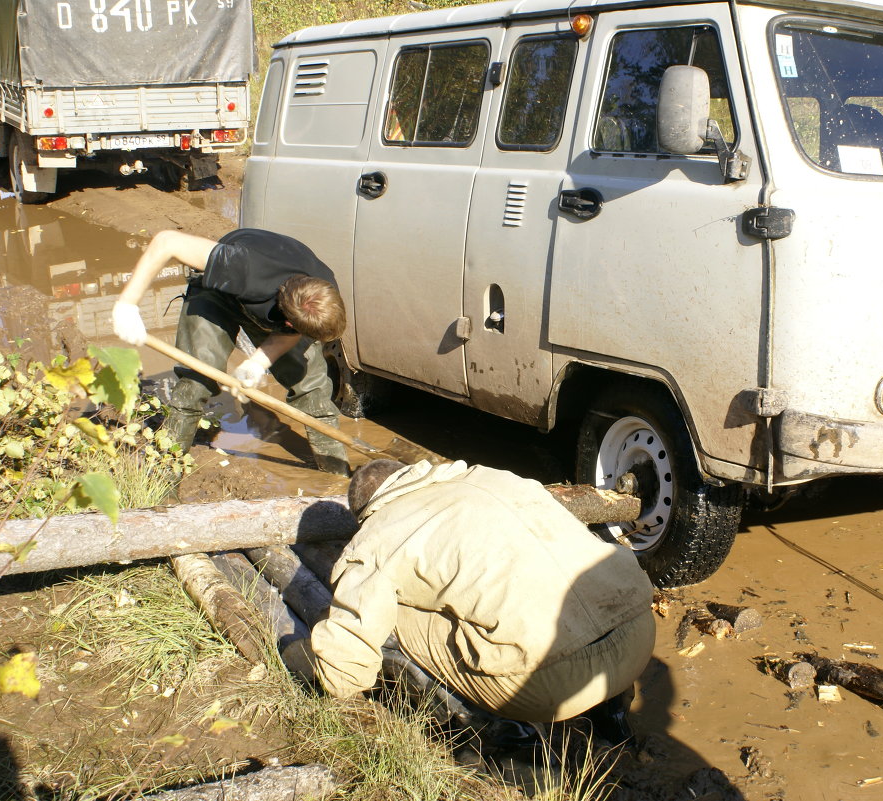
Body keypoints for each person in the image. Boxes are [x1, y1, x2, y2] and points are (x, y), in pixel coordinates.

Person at [281, 458, 656, 729]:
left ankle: (504, 737)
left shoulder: (377, 535)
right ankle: (612, 713)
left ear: (364, 513)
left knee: (390, 611)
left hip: (553, 688)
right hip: (638, 635)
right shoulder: (494, 476)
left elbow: (349, 657)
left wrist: (310, 662)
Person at [111, 228, 350, 475]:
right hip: (217, 294)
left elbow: (290, 334)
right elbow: (166, 241)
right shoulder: (240, 267)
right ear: (289, 322)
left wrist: (257, 363)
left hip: (279, 304)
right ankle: (165, 473)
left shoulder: (323, 289)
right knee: (197, 382)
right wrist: (127, 304)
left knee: (312, 386)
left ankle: (337, 473)